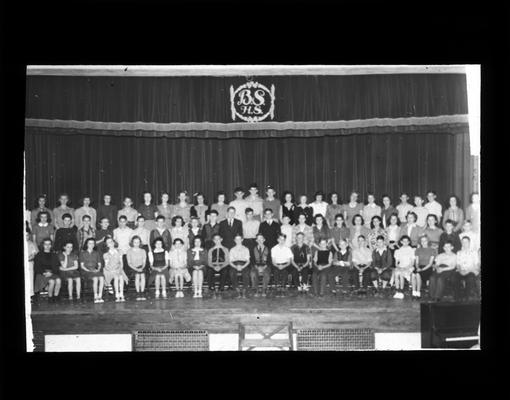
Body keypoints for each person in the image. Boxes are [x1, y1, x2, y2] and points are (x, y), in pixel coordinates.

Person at [453, 236, 480, 300]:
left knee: (469, 279)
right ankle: (457, 297)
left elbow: (477, 264)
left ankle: (467, 297)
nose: (464, 243)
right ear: (461, 243)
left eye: (466, 242)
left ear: (469, 243)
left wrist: (468, 270)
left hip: (470, 271)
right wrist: (460, 271)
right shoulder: (459, 252)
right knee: (454, 278)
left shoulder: (474, 252)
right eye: (463, 242)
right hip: (461, 271)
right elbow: (458, 264)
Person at [79, 238, 104, 303]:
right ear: (86, 244)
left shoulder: (96, 253)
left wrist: (97, 269)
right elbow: (82, 266)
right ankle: (95, 296)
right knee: (95, 278)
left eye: (93, 243)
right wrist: (89, 271)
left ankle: (100, 296)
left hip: (95, 270)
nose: (91, 245)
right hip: (86, 271)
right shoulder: (83, 253)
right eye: (89, 243)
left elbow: (99, 264)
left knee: (101, 278)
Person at [103, 237, 128, 302]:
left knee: (121, 277)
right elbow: (106, 266)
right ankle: (117, 293)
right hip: (109, 270)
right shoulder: (106, 254)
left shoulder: (119, 251)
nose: (110, 243)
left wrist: (120, 269)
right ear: (107, 245)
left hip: (118, 268)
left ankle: (121, 293)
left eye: (111, 241)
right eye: (108, 242)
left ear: (114, 242)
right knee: (116, 277)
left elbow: (121, 262)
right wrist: (112, 270)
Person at [126, 235, 148, 301]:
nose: (136, 244)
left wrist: (142, 267)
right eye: (135, 242)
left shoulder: (143, 251)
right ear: (132, 243)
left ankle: (142, 291)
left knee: (142, 275)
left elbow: (144, 262)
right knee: (138, 275)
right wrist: (136, 269)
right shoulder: (129, 251)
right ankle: (138, 292)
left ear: (140, 243)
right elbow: (129, 263)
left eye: (138, 242)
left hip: (141, 267)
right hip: (132, 268)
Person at [26, 230, 38, 299]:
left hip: (29, 262)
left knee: (30, 278)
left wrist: (27, 259)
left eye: (27, 235)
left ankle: (30, 294)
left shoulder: (31, 244)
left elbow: (33, 254)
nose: (26, 236)